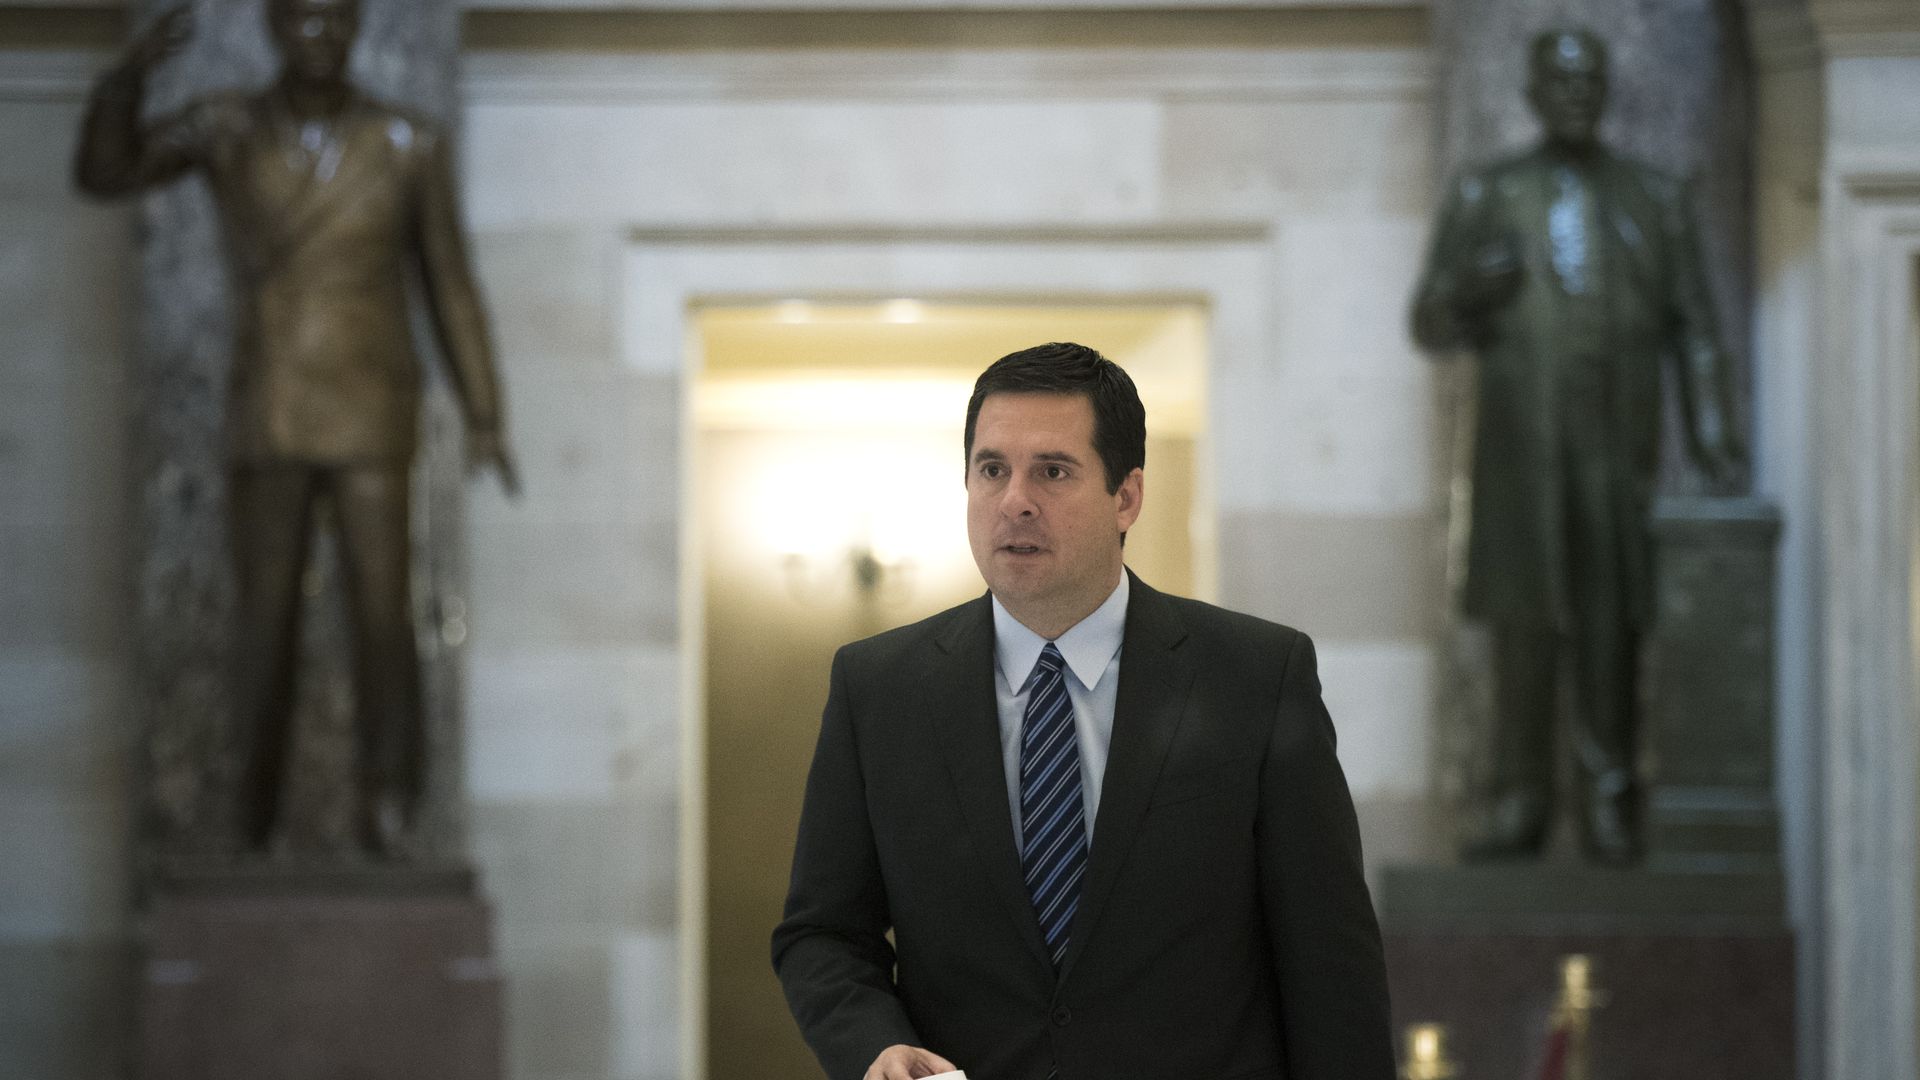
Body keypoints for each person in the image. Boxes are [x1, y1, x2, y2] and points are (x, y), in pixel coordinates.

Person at [773, 343, 1393, 1080]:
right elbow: (823, 933)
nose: (1015, 501)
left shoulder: (1257, 676)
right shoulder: (878, 688)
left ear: (1126, 497)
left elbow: (1329, 959)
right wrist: (873, 1043)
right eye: (992, 469)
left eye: (1052, 471)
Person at [74, 0, 516, 855]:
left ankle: (390, 804)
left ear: (357, 29)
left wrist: (485, 413)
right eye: (306, 21)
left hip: (372, 406)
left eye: (337, 20)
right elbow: (106, 173)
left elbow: (450, 283)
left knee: (383, 618)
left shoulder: (405, 141)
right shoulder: (226, 127)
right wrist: (125, 83)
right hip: (271, 403)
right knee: (263, 619)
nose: (323, 37)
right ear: (276, 29)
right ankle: (250, 810)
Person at [1408, 28, 1745, 863]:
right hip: (1521, 456)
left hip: (1615, 453)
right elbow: (1429, 320)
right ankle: (1519, 799)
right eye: (1559, 81)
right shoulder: (1488, 192)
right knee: (1523, 624)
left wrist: (1713, 435)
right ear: (1532, 92)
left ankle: (1608, 799)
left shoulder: (1654, 199)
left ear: (1605, 90)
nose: (1575, 94)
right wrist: (1467, 291)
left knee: (1611, 622)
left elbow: (1697, 330)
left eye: (1588, 80)